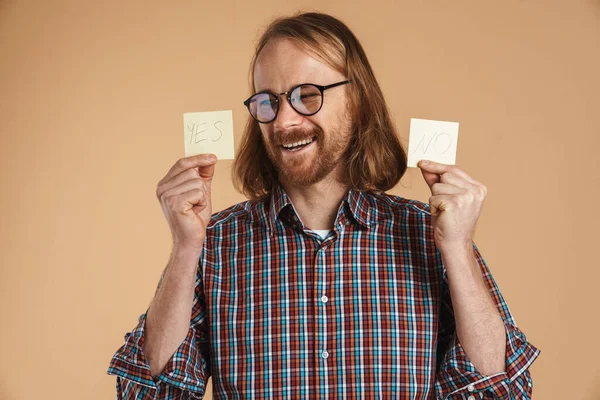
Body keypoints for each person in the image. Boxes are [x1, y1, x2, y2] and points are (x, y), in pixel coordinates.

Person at [107, 12, 540, 399]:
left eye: (307, 94)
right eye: (268, 101)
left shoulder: (432, 239)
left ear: (357, 99)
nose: (284, 121)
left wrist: (459, 251)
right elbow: (150, 396)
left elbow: (499, 393)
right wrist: (185, 249)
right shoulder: (212, 246)